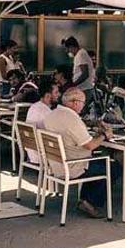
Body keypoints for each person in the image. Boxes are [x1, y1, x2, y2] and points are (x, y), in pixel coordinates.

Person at [42, 87, 109, 218]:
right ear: (75, 103)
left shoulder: (52, 114)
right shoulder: (72, 119)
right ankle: (89, 202)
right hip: (73, 166)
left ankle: (85, 199)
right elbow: (90, 145)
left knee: (99, 162)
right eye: (83, 103)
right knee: (112, 167)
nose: (83, 106)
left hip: (56, 164)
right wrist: (104, 136)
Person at [22, 78, 59, 163]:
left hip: (33, 153)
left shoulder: (34, 107)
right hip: (44, 157)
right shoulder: (46, 112)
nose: (59, 95)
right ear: (48, 95)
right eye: (56, 92)